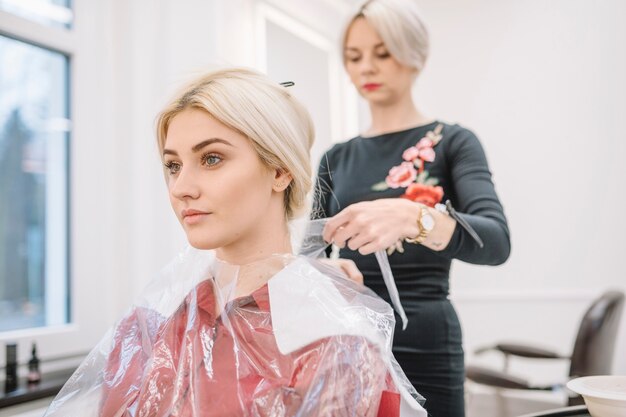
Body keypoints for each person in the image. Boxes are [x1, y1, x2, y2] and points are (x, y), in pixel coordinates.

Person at [43, 68, 427, 417]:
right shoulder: (145, 327)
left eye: (211, 159)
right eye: (173, 165)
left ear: (280, 170)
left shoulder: (328, 338)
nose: (181, 188)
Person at [314, 1, 511, 416]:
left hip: (426, 340)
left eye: (382, 53)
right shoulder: (336, 157)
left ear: (413, 55)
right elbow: (304, 256)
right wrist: (323, 270)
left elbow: (495, 241)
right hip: (351, 337)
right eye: (354, 57)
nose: (366, 67)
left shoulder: (452, 142)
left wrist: (415, 217)